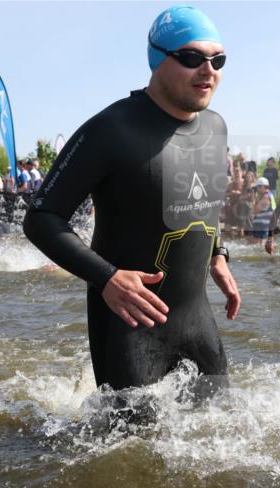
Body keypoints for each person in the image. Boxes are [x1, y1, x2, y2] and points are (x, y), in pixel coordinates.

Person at [23, 5, 240, 395]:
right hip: (128, 326)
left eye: (217, 59)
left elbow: (204, 197)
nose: (208, 70)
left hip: (197, 319)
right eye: (192, 58)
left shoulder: (216, 127)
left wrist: (217, 255)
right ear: (158, 59)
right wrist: (106, 277)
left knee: (223, 429)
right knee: (129, 450)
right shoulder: (111, 129)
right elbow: (41, 217)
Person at [249, 176, 276, 241]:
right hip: (261, 225)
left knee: (260, 247)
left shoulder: (266, 197)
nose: (256, 190)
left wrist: (253, 200)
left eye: (257, 187)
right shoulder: (266, 196)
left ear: (263, 187)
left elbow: (254, 211)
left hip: (263, 226)